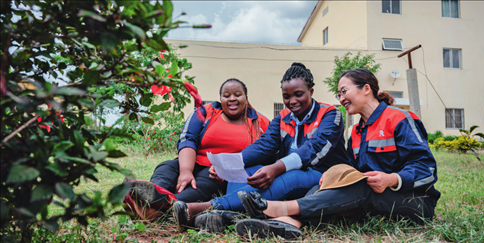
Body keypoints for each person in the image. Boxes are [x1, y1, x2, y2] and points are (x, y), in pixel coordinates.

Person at [234, 68, 441, 240]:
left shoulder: (399, 118)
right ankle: (290, 223)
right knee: (323, 185)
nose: (341, 99)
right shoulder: (357, 132)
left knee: (361, 188)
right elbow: (354, 170)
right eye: (338, 94)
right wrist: (334, 176)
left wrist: (392, 179)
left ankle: (277, 209)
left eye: (344, 91)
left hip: (415, 201)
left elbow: (427, 169)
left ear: (366, 89)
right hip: (375, 200)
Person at [172, 62, 349, 232]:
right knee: (244, 169)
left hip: (322, 173)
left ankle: (207, 207)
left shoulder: (330, 114)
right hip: (285, 170)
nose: (292, 101)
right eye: (286, 97)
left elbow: (313, 149)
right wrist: (230, 163)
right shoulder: (283, 116)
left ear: (311, 92)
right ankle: (228, 216)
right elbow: (265, 145)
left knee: (291, 176)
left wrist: (276, 168)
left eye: (299, 94)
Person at [123, 78, 269, 221]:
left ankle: (150, 209)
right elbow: (188, 138)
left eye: (237, 95)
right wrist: (186, 171)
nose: (232, 99)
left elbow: (268, 150)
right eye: (226, 95)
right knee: (165, 168)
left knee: (202, 186)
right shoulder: (206, 112)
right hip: (192, 161)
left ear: (246, 98)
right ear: (220, 99)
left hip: (219, 172)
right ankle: (146, 197)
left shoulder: (259, 122)